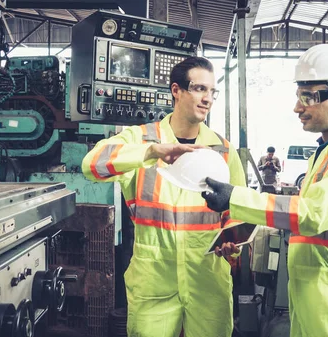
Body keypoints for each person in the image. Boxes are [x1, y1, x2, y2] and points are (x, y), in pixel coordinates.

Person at [202, 44, 328, 337]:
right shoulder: (326, 153)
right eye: (298, 96)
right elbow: (307, 217)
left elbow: (313, 214)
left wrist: (235, 197)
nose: (297, 107)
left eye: (308, 97)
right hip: (313, 304)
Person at [82, 56, 246, 337]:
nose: (207, 98)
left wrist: (234, 243)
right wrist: (150, 152)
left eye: (211, 91)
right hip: (153, 282)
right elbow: (91, 165)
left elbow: (239, 211)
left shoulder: (223, 149)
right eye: (199, 89)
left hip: (208, 280)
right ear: (176, 91)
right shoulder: (141, 139)